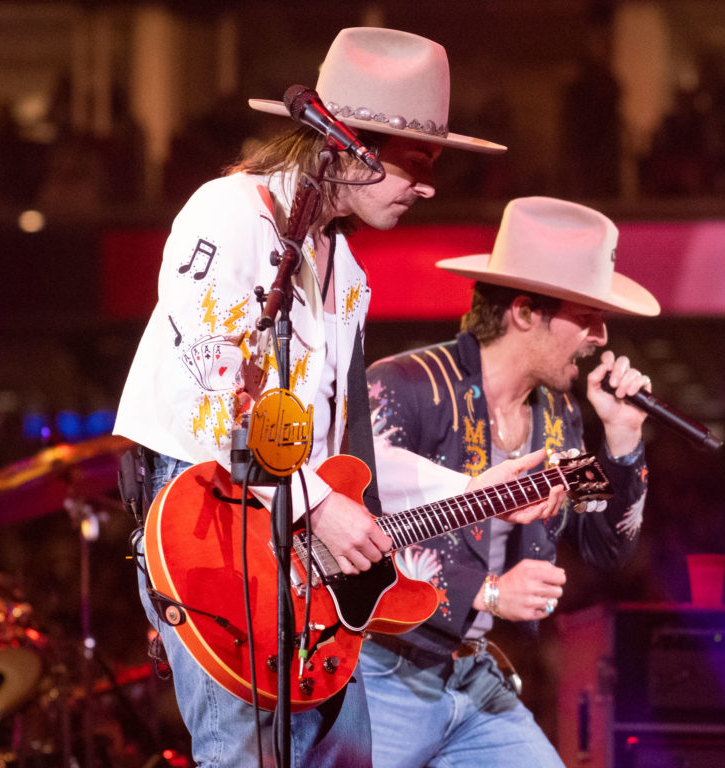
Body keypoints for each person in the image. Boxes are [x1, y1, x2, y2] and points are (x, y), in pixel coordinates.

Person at [114, 28, 560, 768]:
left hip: (297, 554)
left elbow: (338, 459)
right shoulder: (230, 212)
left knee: (344, 754)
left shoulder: (347, 272)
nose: (427, 186)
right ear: (347, 144)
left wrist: (469, 492)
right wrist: (318, 499)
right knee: (243, 754)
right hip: (208, 526)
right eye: (415, 162)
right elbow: (211, 386)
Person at [362, 196, 660, 767]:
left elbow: (606, 544)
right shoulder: (403, 387)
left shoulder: (560, 415)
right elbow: (352, 533)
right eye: (586, 315)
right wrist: (487, 591)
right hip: (383, 670)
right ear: (525, 312)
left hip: (473, 676)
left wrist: (621, 438)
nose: (599, 335)